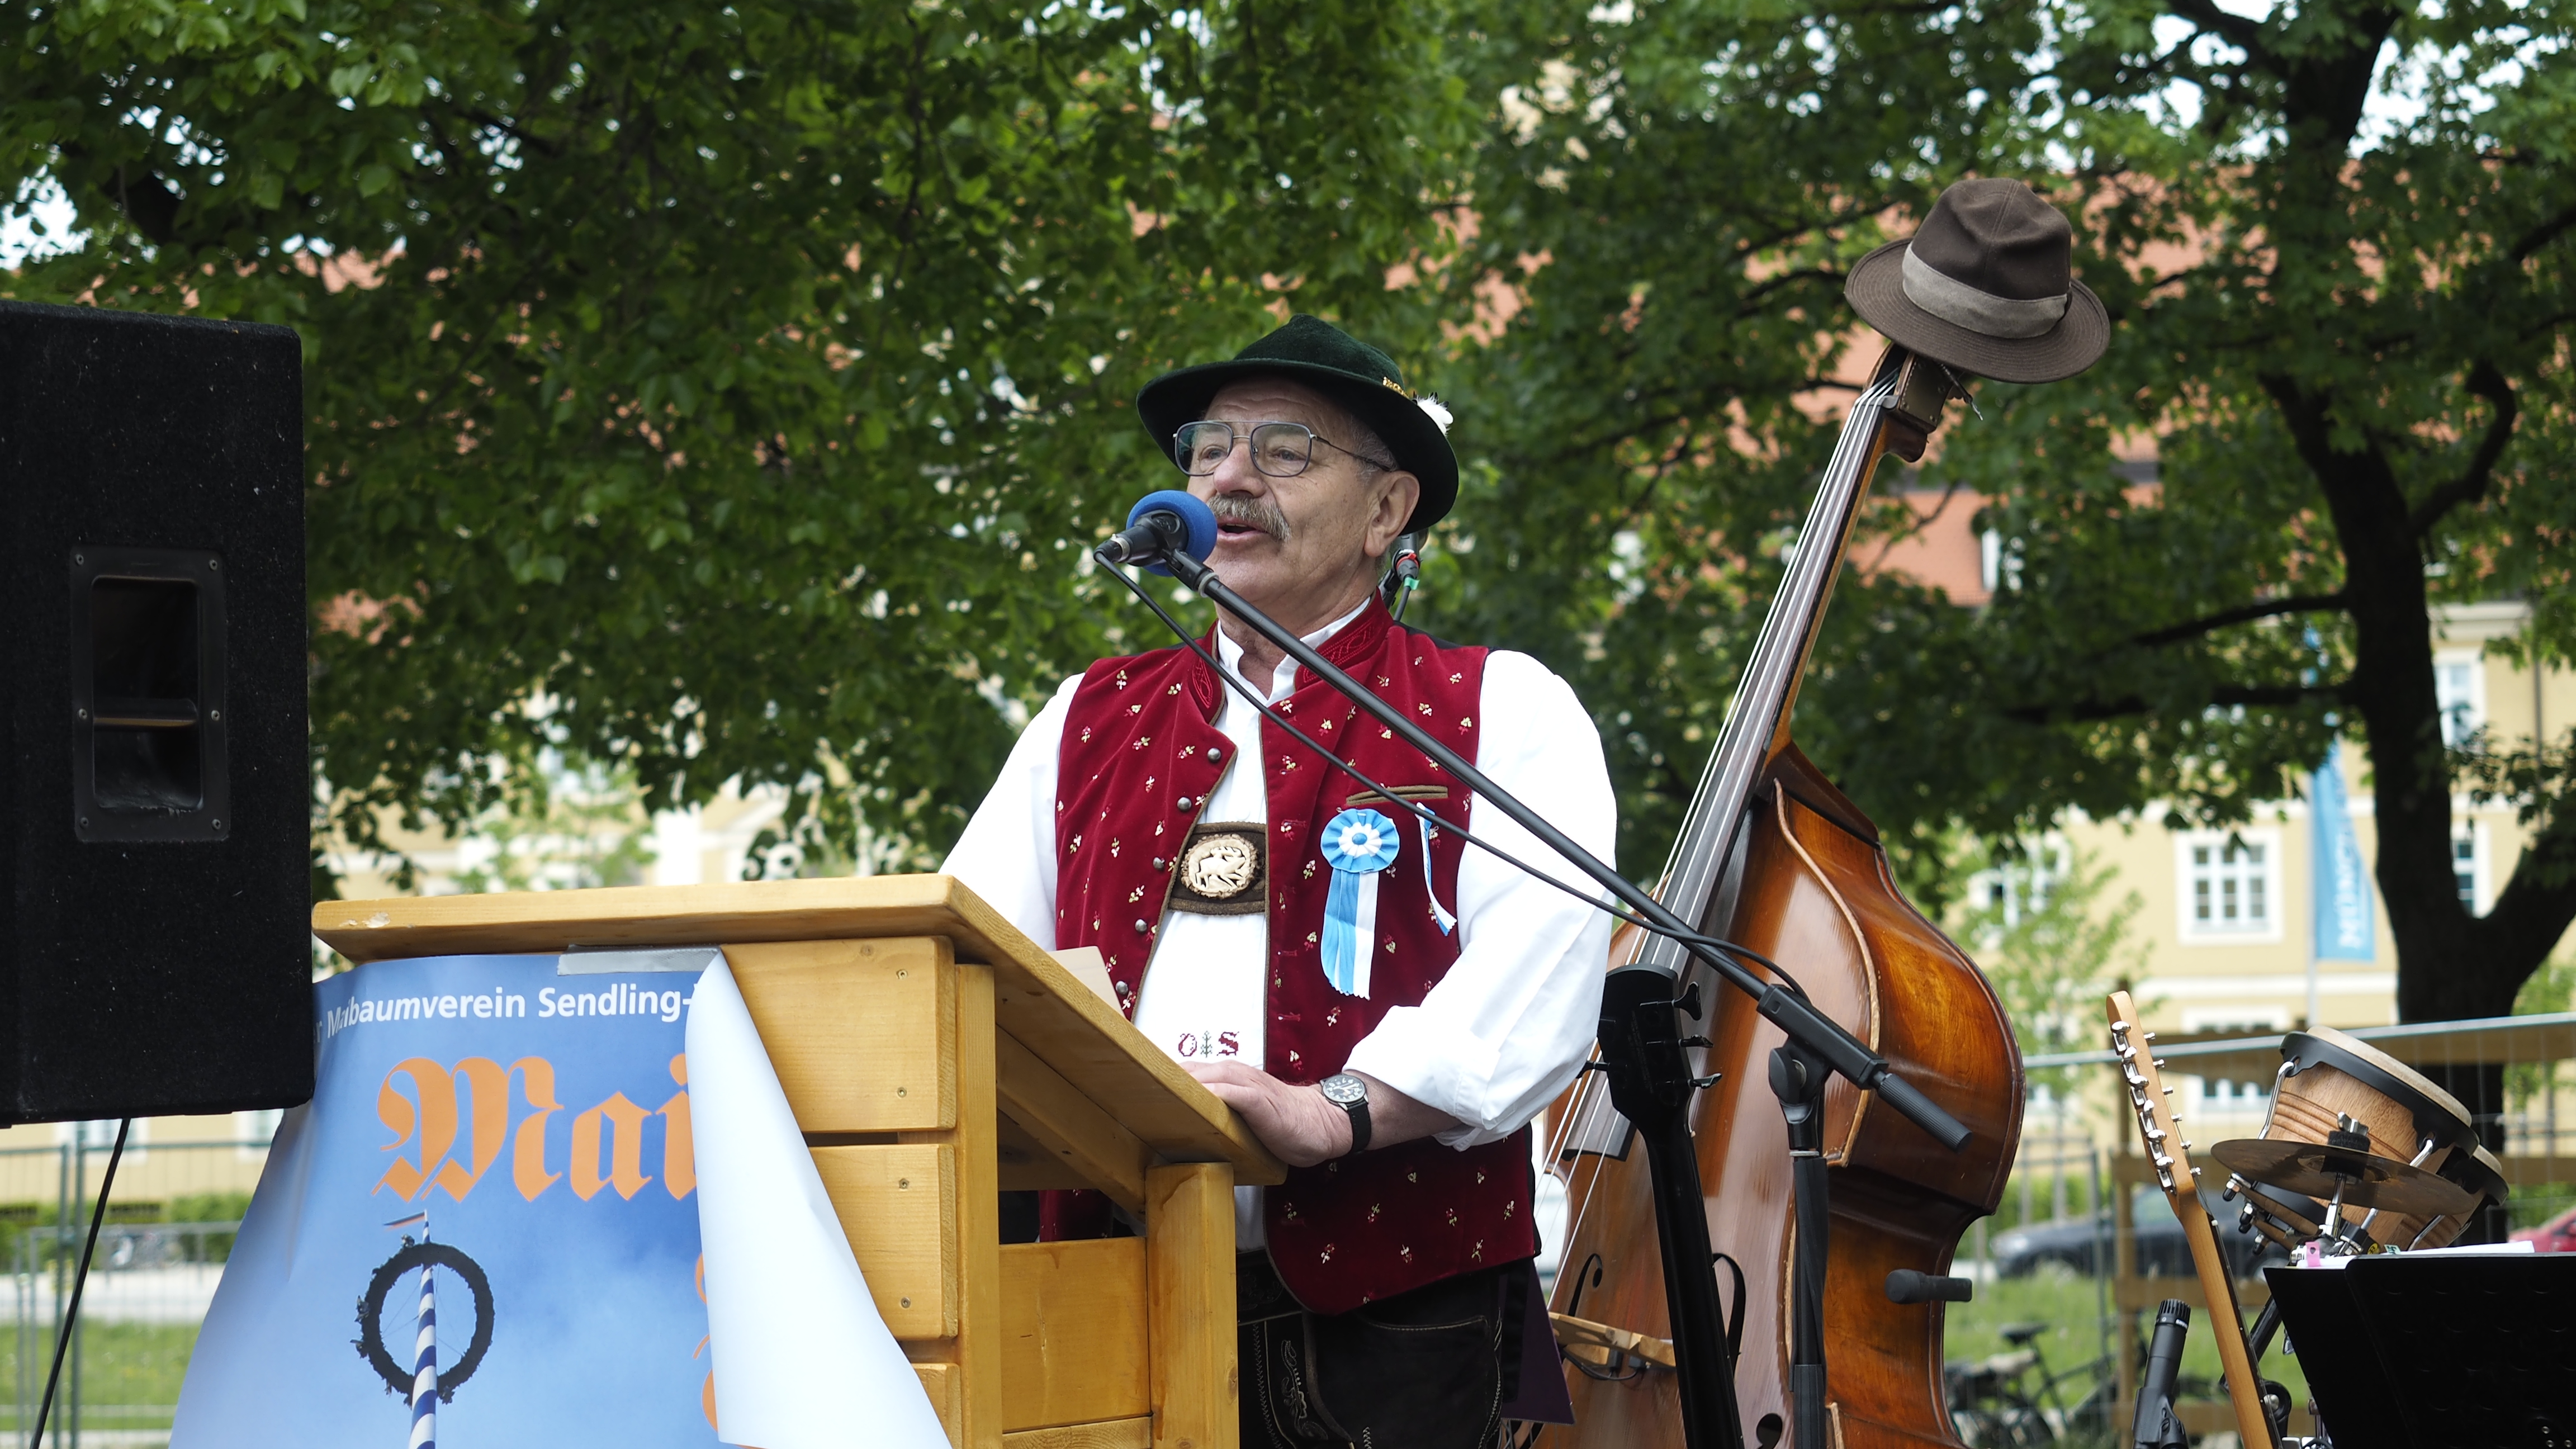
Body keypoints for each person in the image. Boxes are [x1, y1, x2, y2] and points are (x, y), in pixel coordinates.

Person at [943, 314, 1614, 1448]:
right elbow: (964, 966)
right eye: (1208, 450)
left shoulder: (1499, 709)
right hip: (1104, 1294)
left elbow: (1533, 989)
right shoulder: (1081, 717)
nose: (1230, 479)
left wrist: (1334, 1113)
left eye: (1285, 449)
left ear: (1388, 513)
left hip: (1390, 1324)